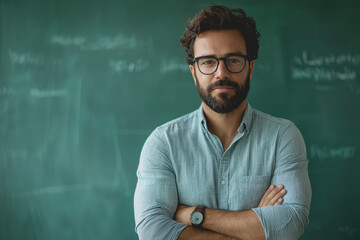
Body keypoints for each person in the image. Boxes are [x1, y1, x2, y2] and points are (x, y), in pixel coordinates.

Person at [134, 5, 311, 240]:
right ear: (193, 72)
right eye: (208, 62)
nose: (221, 73)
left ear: (250, 68)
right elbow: (152, 230)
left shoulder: (283, 136)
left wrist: (195, 216)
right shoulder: (163, 143)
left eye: (233, 60)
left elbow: (290, 223)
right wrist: (254, 228)